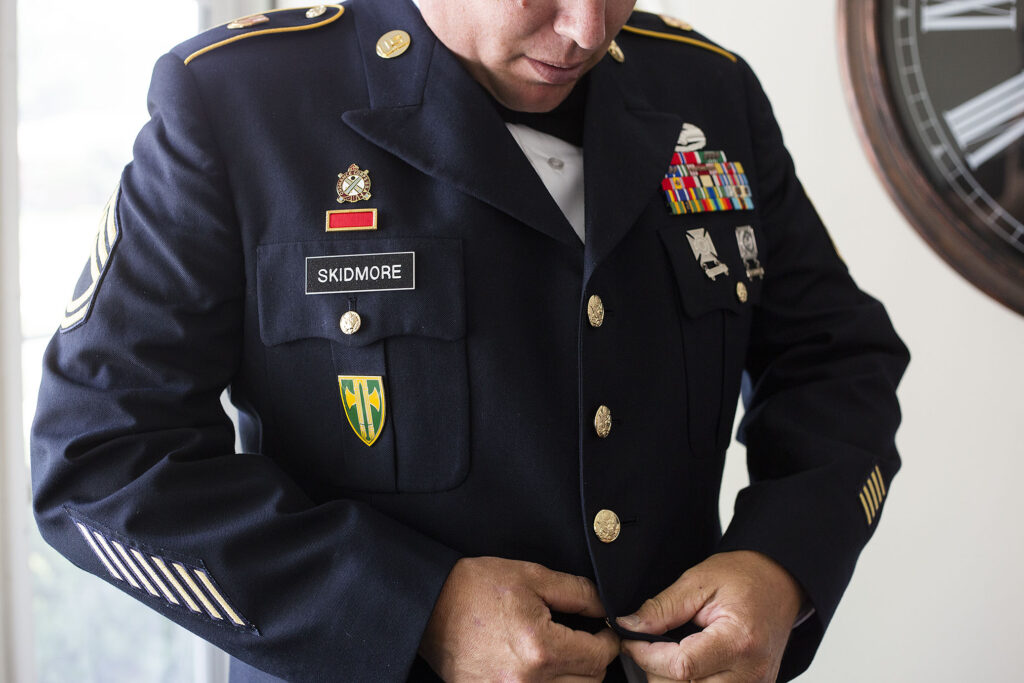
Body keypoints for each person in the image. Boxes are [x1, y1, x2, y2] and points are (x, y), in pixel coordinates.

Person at [30, 0, 909, 681]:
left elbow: (838, 359)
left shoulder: (706, 93)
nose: (587, 29)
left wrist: (782, 565)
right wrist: (417, 611)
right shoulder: (237, 103)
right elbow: (99, 458)